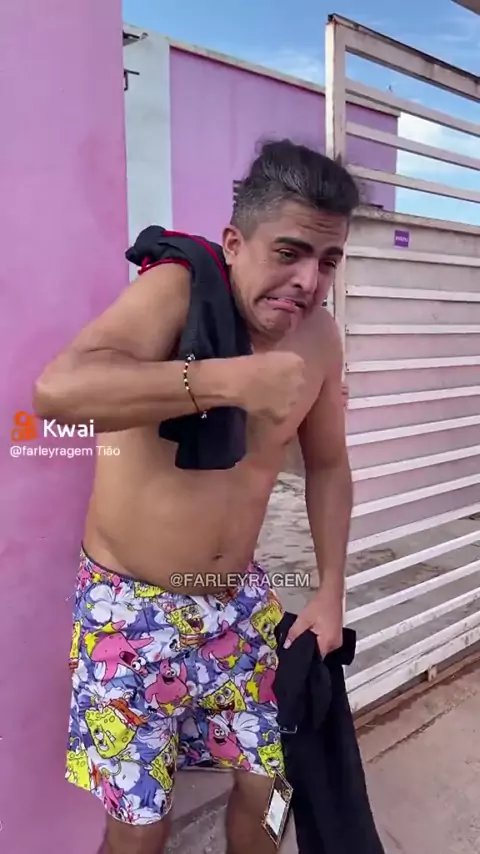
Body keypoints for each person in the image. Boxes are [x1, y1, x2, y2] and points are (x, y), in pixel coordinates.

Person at [34, 138, 359, 854]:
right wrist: (224, 380)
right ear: (235, 243)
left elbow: (330, 466)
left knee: (272, 786)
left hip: (237, 603)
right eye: (289, 253)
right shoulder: (175, 291)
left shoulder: (320, 338)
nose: (308, 281)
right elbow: (59, 392)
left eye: (328, 261)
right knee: (141, 826)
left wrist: (331, 589)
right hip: (128, 612)